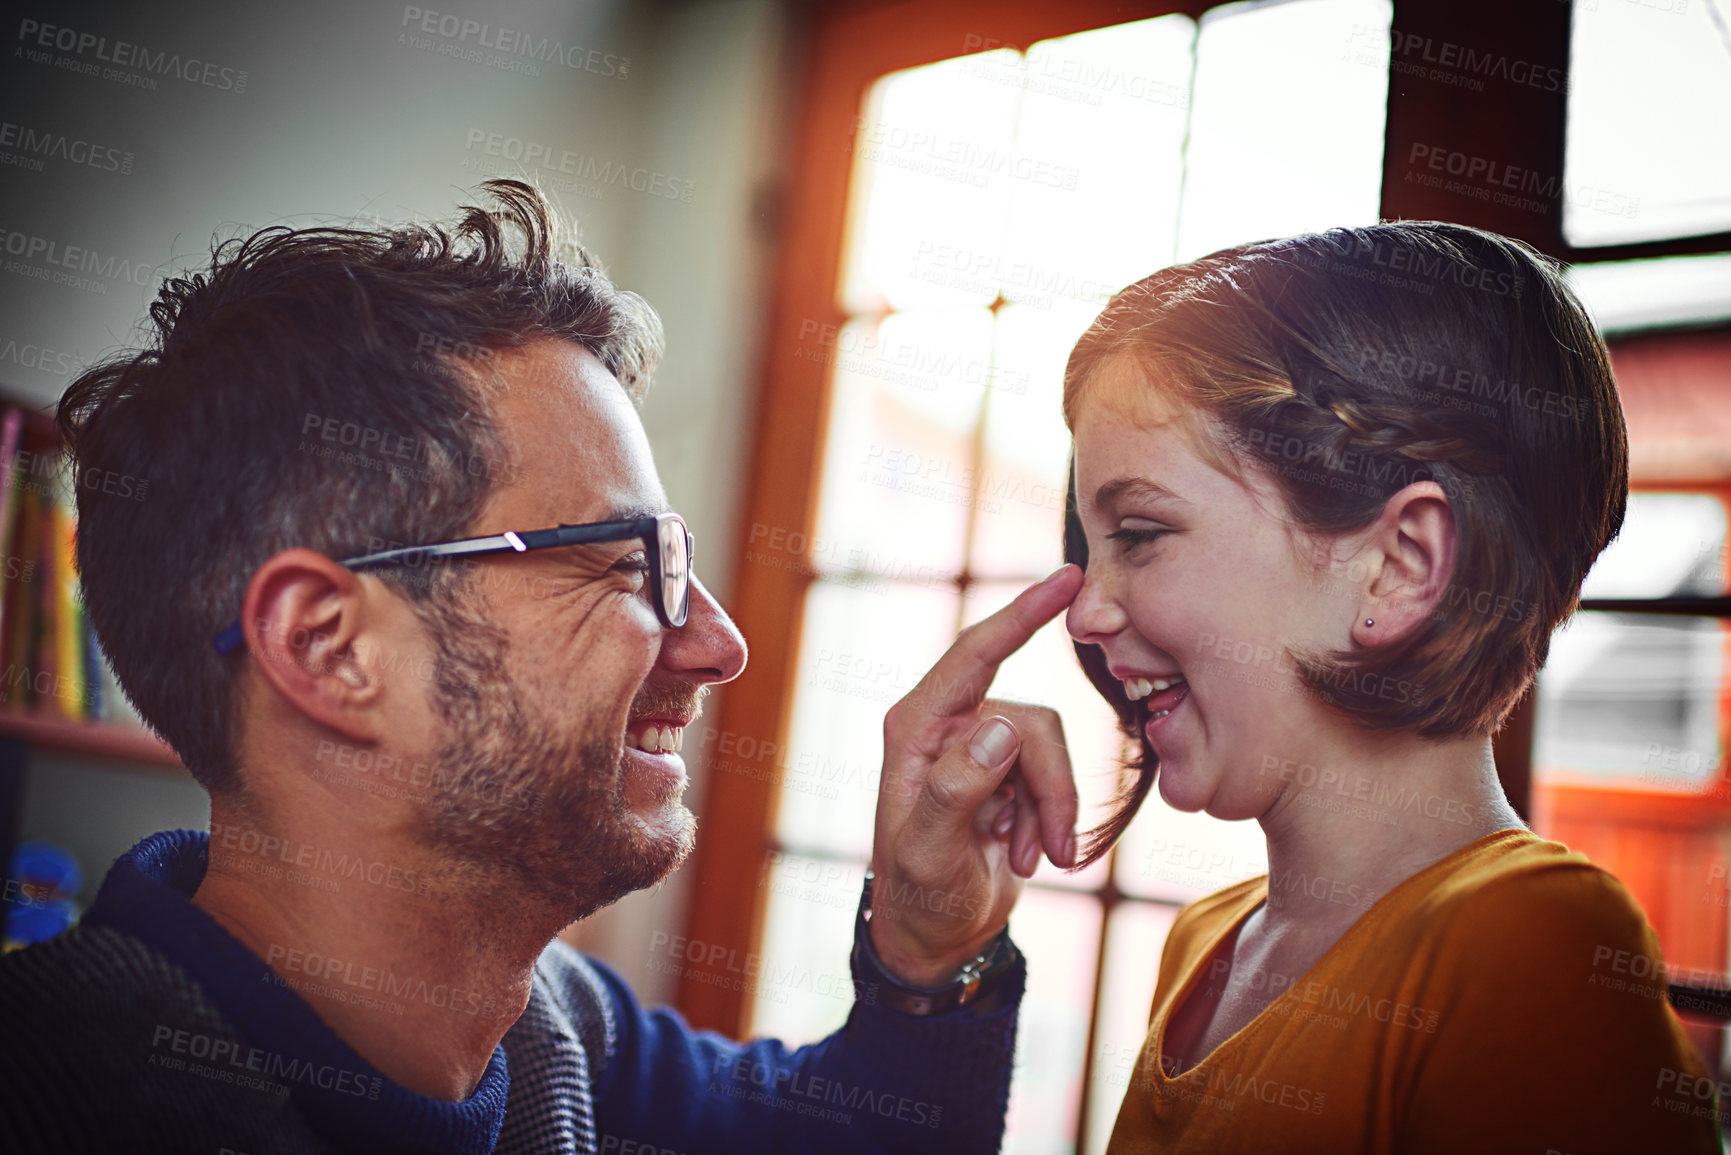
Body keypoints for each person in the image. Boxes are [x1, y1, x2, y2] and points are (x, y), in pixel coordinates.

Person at [0, 180, 1085, 1154]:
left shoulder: (557, 1032)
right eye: (625, 564)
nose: (719, 646)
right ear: (331, 649)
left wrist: (930, 943)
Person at [1057, 221, 1723, 1153]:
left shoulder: (1531, 945)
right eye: (1088, 551)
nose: (1083, 612)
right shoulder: (1205, 942)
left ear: (1397, 566)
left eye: (1137, 533)